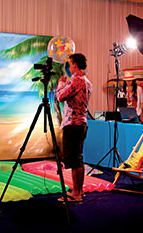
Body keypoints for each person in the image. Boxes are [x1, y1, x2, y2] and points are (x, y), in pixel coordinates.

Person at [56, 53, 92, 202]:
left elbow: (60, 96)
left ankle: (77, 193)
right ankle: (78, 191)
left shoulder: (76, 80)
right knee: (78, 159)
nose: (69, 67)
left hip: (73, 125)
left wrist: (61, 83)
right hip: (81, 123)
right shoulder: (87, 82)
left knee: (75, 160)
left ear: (75, 65)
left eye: (70, 64)